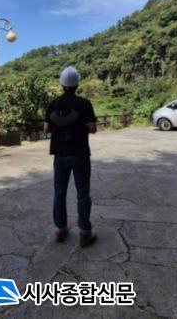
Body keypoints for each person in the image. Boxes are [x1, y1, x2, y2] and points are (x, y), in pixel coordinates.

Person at [44, 66, 98, 247]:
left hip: (60, 154)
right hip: (80, 153)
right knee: (82, 193)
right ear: (77, 84)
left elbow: (46, 128)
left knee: (59, 192)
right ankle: (85, 232)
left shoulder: (53, 104)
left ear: (61, 84)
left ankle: (60, 229)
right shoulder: (84, 103)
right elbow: (93, 128)